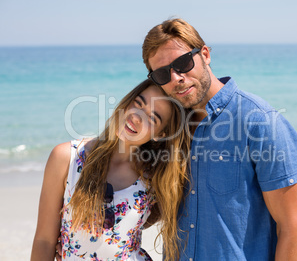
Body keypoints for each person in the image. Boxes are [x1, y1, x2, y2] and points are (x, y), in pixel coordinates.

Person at [142, 18, 297, 260]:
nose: (176, 78)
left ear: (205, 54)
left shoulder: (260, 122)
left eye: (183, 62)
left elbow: (293, 226)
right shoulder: (167, 128)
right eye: (163, 74)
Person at [31, 79, 190, 261]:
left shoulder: (155, 177)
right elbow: (44, 240)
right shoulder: (67, 158)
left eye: (152, 118)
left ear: (160, 134)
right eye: (138, 103)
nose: (136, 117)